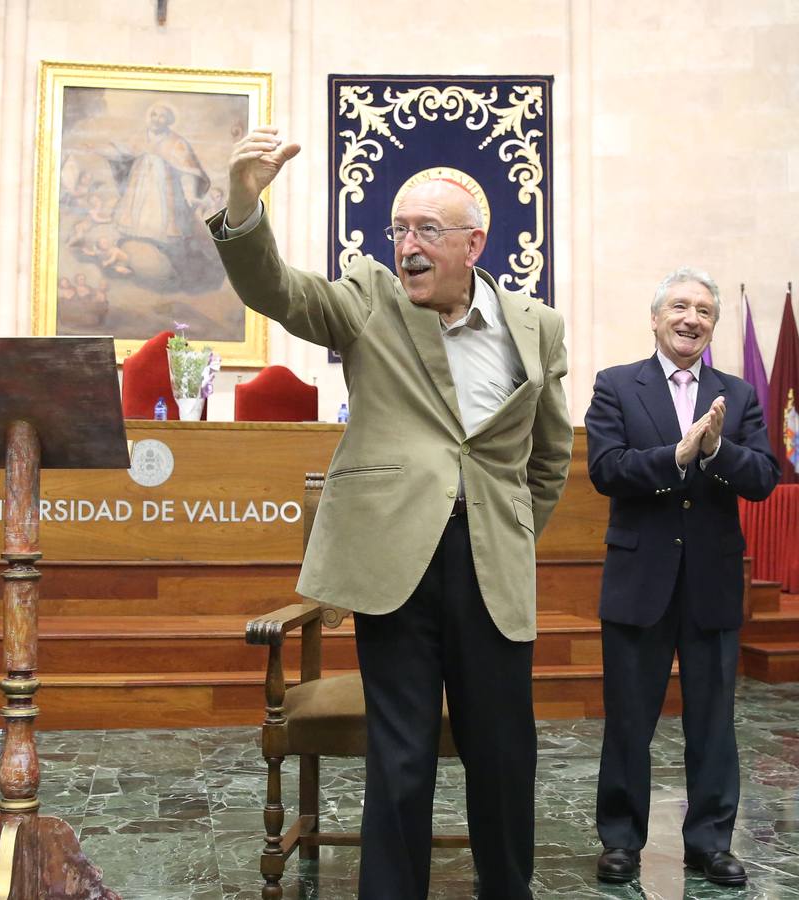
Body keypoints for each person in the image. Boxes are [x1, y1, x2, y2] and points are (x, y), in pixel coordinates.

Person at [208, 126, 573, 898]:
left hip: (489, 566)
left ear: (473, 243)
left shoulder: (536, 326)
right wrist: (243, 204)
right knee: (400, 756)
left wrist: (508, 533)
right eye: (399, 228)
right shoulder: (367, 300)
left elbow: (547, 458)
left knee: (504, 752)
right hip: (394, 564)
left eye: (426, 231)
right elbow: (277, 289)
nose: (407, 243)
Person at [587, 266, 779, 888]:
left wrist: (718, 450)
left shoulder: (739, 394)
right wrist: (677, 455)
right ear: (655, 317)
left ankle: (710, 842)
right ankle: (620, 840)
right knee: (627, 721)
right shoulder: (616, 385)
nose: (691, 318)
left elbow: (764, 477)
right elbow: (606, 469)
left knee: (714, 722)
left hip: (712, 582)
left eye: (703, 310)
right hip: (639, 580)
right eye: (679, 307)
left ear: (713, 325)